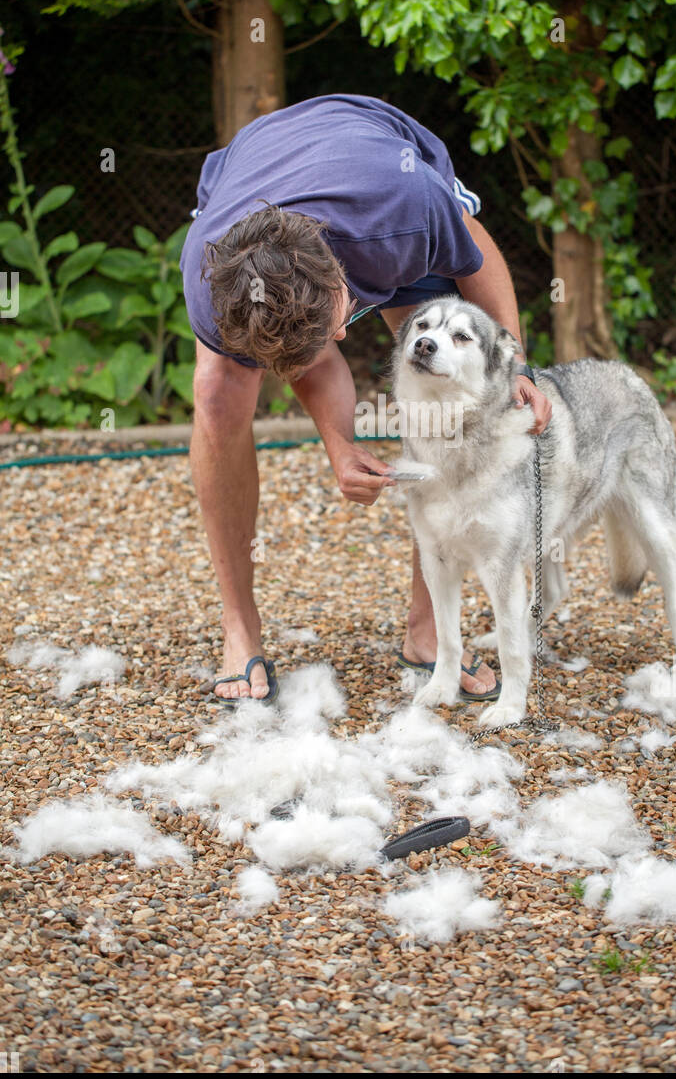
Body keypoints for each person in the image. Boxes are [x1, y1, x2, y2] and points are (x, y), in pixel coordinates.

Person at [180, 93, 551, 703]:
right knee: (218, 395)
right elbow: (306, 356)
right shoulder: (210, 277)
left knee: (459, 392)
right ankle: (239, 630)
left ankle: (430, 633)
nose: (346, 338)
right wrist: (339, 444)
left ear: (340, 283)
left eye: (332, 325)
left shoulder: (404, 213)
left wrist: (513, 367)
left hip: (375, 153)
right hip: (248, 170)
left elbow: (477, 255)